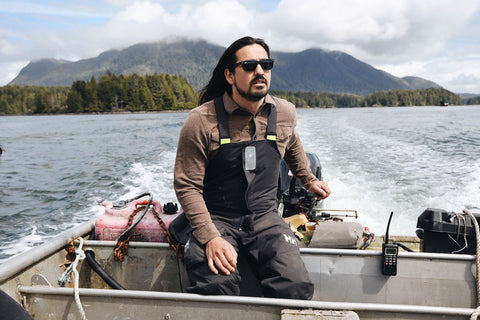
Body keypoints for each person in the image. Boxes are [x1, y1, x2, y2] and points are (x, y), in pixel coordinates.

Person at [173, 36, 331, 299]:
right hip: (216, 218)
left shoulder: (285, 112)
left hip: (265, 217)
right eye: (249, 65)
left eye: (265, 64)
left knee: (295, 286)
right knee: (215, 286)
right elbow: (187, 186)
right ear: (230, 75)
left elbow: (291, 142)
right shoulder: (201, 120)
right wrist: (210, 237)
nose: (260, 71)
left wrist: (308, 179)